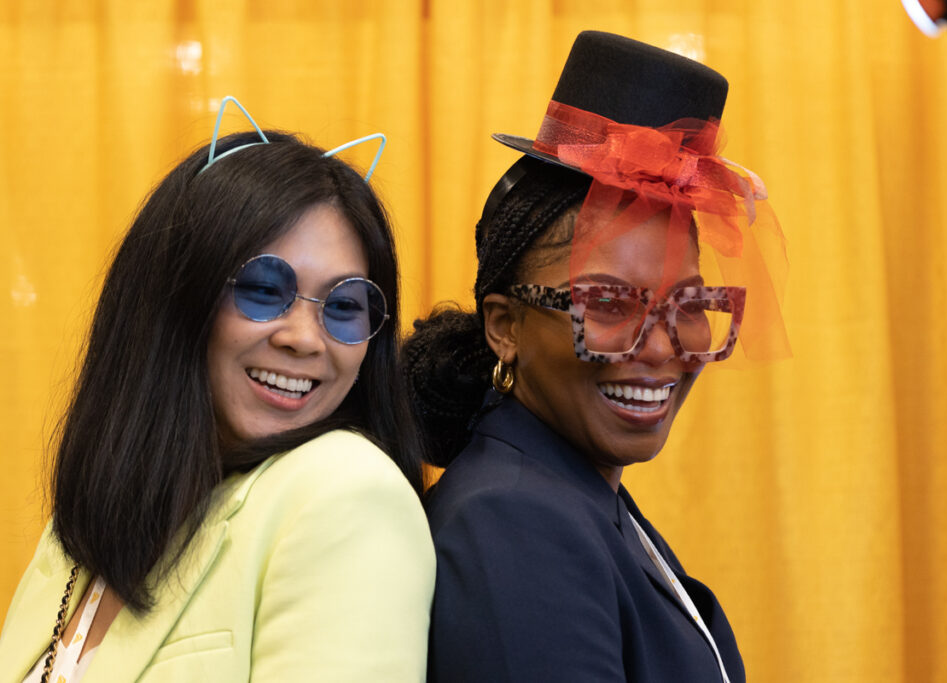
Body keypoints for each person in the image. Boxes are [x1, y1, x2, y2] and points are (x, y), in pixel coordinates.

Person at [0, 98, 434, 682]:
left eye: (344, 305)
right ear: (173, 298)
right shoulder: (87, 521)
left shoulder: (346, 492)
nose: (306, 339)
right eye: (263, 289)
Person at [403, 32, 788, 682]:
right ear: (505, 325)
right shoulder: (514, 522)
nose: (663, 346)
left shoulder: (579, 488)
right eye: (609, 303)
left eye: (690, 304)